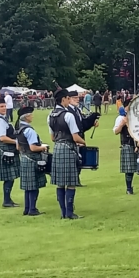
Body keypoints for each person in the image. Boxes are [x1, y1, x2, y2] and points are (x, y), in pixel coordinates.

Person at [48, 88, 86, 219]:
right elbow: (75, 137)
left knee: (60, 183)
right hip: (68, 149)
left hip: (57, 148)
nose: (69, 101)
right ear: (63, 99)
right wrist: (83, 142)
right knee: (70, 182)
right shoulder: (68, 115)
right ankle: (70, 213)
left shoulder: (50, 116)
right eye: (68, 98)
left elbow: (52, 138)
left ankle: (63, 213)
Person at [113, 95, 139, 194]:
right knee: (129, 168)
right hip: (128, 144)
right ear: (126, 107)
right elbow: (116, 131)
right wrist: (122, 124)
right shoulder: (120, 118)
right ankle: (129, 188)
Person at [15, 106, 48, 216]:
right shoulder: (29, 130)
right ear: (27, 117)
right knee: (34, 186)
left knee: (28, 187)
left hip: (24, 158)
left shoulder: (18, 129)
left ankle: (27, 209)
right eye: (31, 115)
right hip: (33, 159)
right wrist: (43, 148)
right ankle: (32, 210)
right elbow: (34, 148)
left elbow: (18, 147)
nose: (32, 116)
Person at [0, 96, 20, 207]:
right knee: (9, 177)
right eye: (1, 107)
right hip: (6, 150)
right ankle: (6, 201)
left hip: (8, 150)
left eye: (5, 106)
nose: (4, 108)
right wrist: (16, 142)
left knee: (10, 177)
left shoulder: (3, 119)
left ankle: (8, 200)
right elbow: (2, 137)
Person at [68, 92, 99, 186]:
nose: (77, 99)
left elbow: (83, 125)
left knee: (80, 161)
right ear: (68, 99)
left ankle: (77, 180)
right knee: (74, 161)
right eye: (75, 98)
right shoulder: (68, 112)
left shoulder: (77, 110)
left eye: (78, 97)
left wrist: (92, 120)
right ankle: (74, 181)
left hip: (80, 137)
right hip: (73, 139)